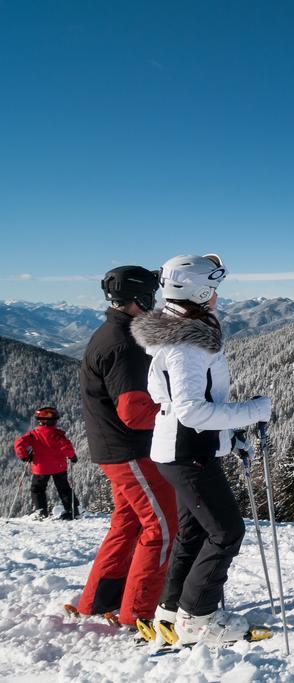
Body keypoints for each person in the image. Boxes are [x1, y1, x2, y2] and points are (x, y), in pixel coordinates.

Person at [131, 254, 272, 646]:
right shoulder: (185, 346)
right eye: (213, 289)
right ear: (198, 290)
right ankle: (199, 617)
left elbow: (192, 405)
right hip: (186, 451)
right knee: (227, 532)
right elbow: (192, 410)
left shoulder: (183, 334)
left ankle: (172, 613)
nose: (217, 297)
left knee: (193, 533)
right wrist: (252, 412)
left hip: (185, 448)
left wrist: (230, 436)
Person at [73, 265, 178, 634]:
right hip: (130, 451)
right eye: (152, 297)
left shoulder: (110, 331)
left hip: (114, 449)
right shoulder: (125, 343)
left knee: (127, 522)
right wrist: (177, 412)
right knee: (164, 526)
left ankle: (98, 600)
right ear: (139, 299)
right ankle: (140, 611)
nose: (156, 304)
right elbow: (134, 412)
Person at [13, 407, 78, 520]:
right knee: (64, 489)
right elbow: (66, 447)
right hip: (59, 467)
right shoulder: (57, 434)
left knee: (37, 489)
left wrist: (25, 456)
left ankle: (41, 513)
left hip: (41, 468)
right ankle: (72, 511)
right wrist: (72, 457)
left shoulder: (33, 435)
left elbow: (19, 444)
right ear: (53, 421)